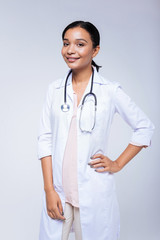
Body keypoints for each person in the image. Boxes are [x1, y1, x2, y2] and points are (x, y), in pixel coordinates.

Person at [37, 21, 154, 240]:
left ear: (95, 50)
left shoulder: (109, 91)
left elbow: (144, 127)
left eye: (80, 44)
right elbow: (45, 138)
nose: (70, 50)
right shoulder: (53, 90)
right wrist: (49, 190)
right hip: (60, 192)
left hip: (93, 191)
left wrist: (117, 163)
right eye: (66, 43)